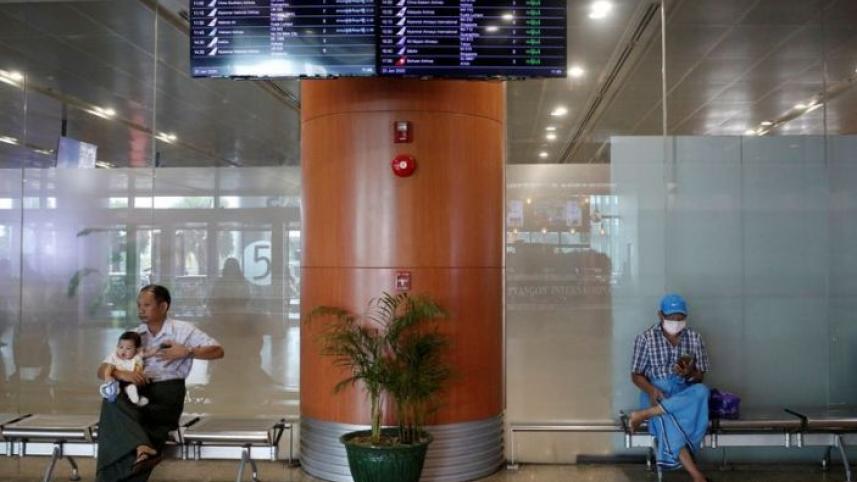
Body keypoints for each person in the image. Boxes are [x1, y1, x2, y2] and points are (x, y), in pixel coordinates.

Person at [96, 284, 224, 482]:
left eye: (147, 305)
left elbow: (218, 351)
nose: (141, 310)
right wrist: (121, 373)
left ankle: (141, 448)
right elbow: (102, 369)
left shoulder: (182, 330)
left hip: (166, 393)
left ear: (163, 306)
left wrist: (188, 352)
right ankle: (143, 449)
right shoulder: (134, 335)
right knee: (111, 399)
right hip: (137, 390)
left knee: (114, 426)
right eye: (139, 305)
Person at [628, 293, 710, 482]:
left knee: (702, 391)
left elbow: (700, 376)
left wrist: (689, 373)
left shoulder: (695, 338)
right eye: (672, 318)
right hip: (657, 392)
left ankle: (646, 414)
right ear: (660, 315)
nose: (676, 322)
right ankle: (697, 476)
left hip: (683, 393)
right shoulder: (645, 339)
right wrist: (651, 390)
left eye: (681, 319)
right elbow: (635, 375)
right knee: (669, 418)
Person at [100, 331, 150, 407]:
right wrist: (108, 376)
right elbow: (108, 367)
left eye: (128, 348)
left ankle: (136, 398)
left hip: (134, 381)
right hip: (117, 382)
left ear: (136, 350)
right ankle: (126, 394)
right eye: (121, 347)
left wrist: (159, 348)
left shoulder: (137, 357)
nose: (123, 351)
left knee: (137, 385)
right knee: (116, 390)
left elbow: (148, 354)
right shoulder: (115, 357)